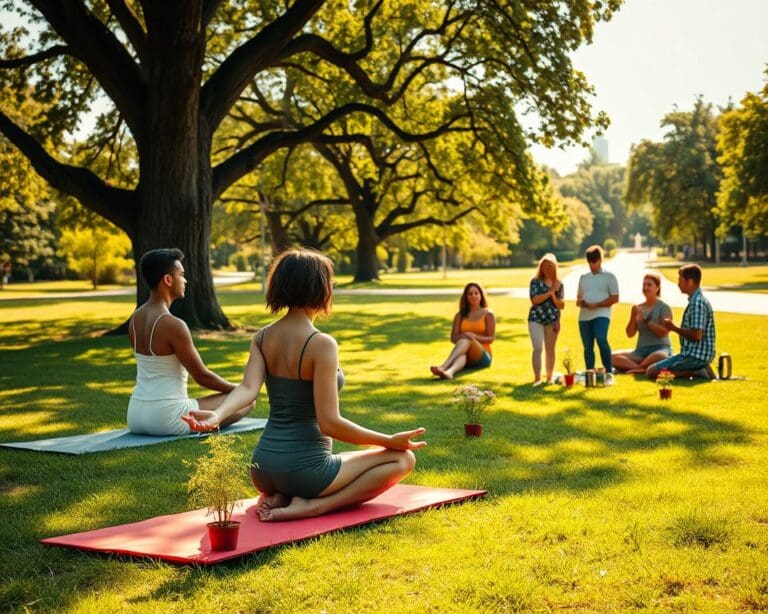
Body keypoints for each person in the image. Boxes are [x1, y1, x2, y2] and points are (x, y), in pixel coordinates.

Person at [182, 248, 426, 522]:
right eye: (329, 282)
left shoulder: (262, 337)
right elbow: (329, 423)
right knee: (403, 460)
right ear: (318, 288)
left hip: (262, 469)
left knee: (350, 461)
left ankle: (281, 495)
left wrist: (217, 414)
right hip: (307, 473)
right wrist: (388, 440)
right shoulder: (321, 344)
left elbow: (247, 389)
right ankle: (315, 506)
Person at [127, 248, 251, 435]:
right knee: (246, 401)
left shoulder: (135, 319)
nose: (185, 280)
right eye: (181, 275)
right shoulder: (173, 324)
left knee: (234, 398)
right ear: (168, 280)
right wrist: (241, 390)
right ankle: (208, 423)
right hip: (166, 418)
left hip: (135, 414)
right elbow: (202, 377)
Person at [646, 264, 716, 380]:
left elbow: (696, 335)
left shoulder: (697, 303)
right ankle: (697, 370)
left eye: (680, 280)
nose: (678, 284)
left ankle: (695, 371)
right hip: (694, 355)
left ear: (690, 281)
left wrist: (673, 328)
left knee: (652, 372)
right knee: (653, 370)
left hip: (695, 356)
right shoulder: (696, 300)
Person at [430, 282, 495, 380]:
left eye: (476, 293)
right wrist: (464, 335)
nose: (473, 296)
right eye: (470, 294)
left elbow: (491, 338)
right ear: (466, 297)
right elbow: (453, 338)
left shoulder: (488, 314)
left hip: (483, 357)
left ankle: (444, 366)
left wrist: (474, 337)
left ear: (481, 295)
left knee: (467, 339)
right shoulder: (460, 315)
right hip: (466, 356)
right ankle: (449, 372)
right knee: (463, 350)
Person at [612, 273, 673, 373]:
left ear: (657, 288)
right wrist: (633, 316)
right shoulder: (638, 308)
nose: (645, 287)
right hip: (640, 352)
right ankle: (641, 368)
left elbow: (664, 332)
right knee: (610, 356)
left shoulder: (664, 307)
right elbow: (630, 334)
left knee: (660, 357)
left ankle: (636, 367)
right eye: (644, 285)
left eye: (649, 285)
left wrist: (646, 320)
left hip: (660, 349)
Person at [576, 245, 619, 378]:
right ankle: (590, 374)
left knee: (601, 339)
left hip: (602, 314)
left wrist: (597, 305)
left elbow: (615, 298)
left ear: (600, 260)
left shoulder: (609, 277)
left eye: (594, 262)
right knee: (588, 346)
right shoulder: (583, 277)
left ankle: (609, 372)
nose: (591, 265)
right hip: (584, 317)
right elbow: (578, 299)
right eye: (589, 262)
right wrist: (583, 303)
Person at [527, 253, 564, 385]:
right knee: (537, 348)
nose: (546, 269)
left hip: (553, 319)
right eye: (544, 266)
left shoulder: (559, 284)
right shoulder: (535, 282)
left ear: (554, 267)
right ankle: (537, 378)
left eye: (549, 266)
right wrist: (550, 292)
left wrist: (553, 293)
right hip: (536, 318)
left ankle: (549, 378)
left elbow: (561, 305)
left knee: (550, 349)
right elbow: (535, 300)